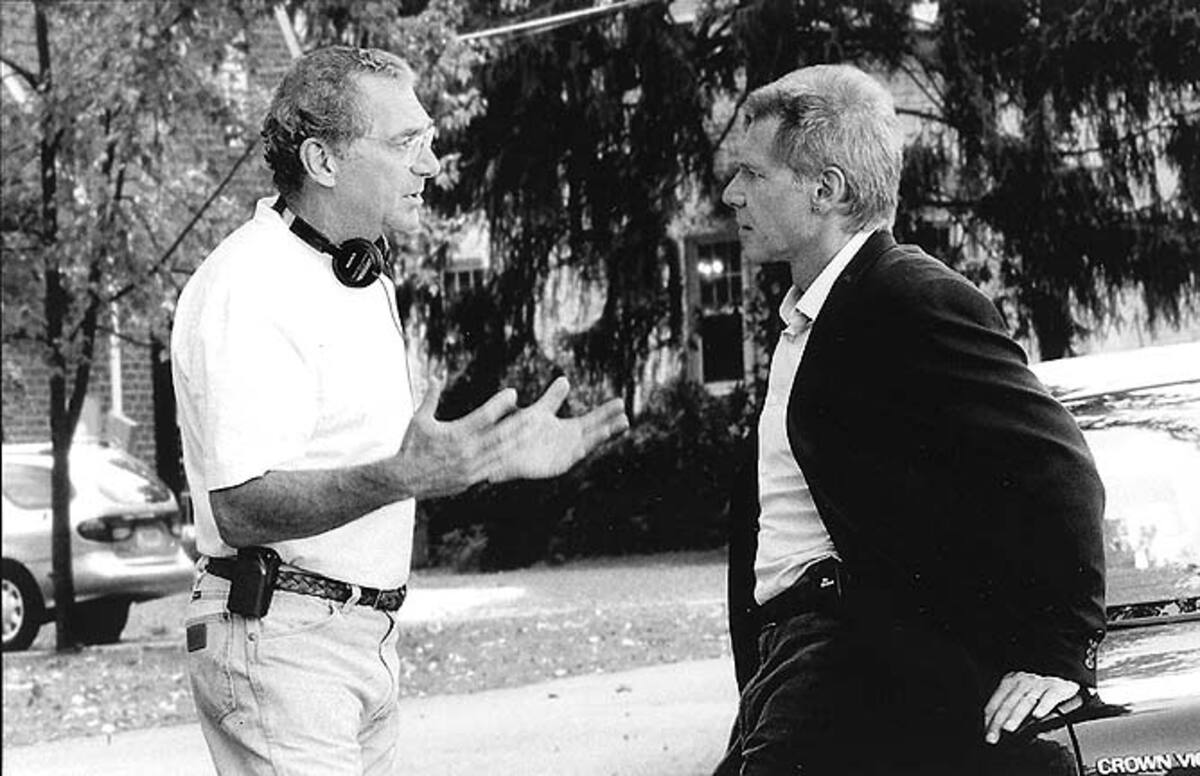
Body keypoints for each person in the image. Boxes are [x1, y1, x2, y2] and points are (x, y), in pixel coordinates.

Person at [170, 45, 628, 776]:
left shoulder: (358, 277)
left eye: (429, 139)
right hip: (283, 640)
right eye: (405, 142)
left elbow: (373, 468)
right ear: (322, 160)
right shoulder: (250, 287)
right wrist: (404, 476)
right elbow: (242, 509)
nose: (431, 164)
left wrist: (488, 457)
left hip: (357, 636)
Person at [715, 64, 1106, 776]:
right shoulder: (813, 315)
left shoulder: (908, 296)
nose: (731, 193)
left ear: (826, 189)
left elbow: (1058, 467)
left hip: (842, 662)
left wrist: (1058, 654)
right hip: (794, 662)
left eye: (753, 174)